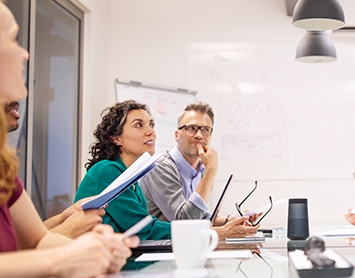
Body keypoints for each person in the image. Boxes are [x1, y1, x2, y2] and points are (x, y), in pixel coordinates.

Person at [0, 0, 134, 278]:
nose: (25, 54)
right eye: (12, 40)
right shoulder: (107, 169)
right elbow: (47, 254)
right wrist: (60, 260)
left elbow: (39, 239)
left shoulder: (3, 166)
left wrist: (97, 254)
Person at [75, 100, 257, 240]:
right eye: (139, 125)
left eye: (151, 125)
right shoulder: (107, 171)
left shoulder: (131, 180)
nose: (151, 132)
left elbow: (146, 228)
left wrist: (225, 225)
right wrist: (216, 233)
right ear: (116, 138)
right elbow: (146, 230)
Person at [5, 100, 104, 238]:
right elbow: (15, 253)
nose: (21, 96)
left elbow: (29, 239)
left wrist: (63, 218)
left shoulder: (5, 170)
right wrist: (69, 230)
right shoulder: (106, 169)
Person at [140, 102, 231, 224]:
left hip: (185, 241)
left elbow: (199, 216)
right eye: (192, 128)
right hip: (161, 242)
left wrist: (231, 220)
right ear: (177, 135)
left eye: (205, 130)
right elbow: (185, 222)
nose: (199, 135)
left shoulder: (202, 169)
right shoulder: (160, 166)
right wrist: (211, 171)